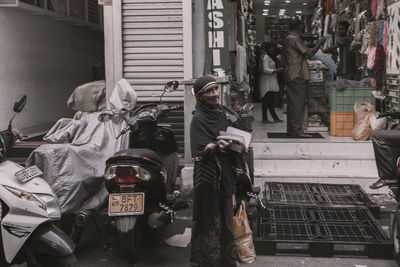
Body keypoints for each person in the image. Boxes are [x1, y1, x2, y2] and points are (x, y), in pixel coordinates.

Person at [189, 75, 238, 267]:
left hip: (223, 172)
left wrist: (234, 142)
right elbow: (200, 148)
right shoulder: (198, 119)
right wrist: (214, 146)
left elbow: (229, 131)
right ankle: (208, 260)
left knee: (225, 214)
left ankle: (226, 258)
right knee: (208, 216)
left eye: (215, 89)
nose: (214, 94)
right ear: (199, 96)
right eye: (209, 91)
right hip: (208, 175)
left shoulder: (220, 112)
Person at [282, 19, 327, 137]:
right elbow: (309, 53)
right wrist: (320, 42)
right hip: (297, 74)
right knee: (298, 103)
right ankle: (297, 130)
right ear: (298, 27)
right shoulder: (294, 38)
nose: (303, 28)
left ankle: (292, 130)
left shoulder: (288, 38)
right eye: (302, 26)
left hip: (290, 74)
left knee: (293, 104)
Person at [259, 42, 283, 123]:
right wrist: (275, 70)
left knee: (270, 101)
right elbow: (265, 69)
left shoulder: (270, 57)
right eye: (271, 48)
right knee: (266, 101)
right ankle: (265, 118)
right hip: (267, 82)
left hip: (271, 81)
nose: (272, 50)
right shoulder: (266, 57)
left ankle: (274, 118)